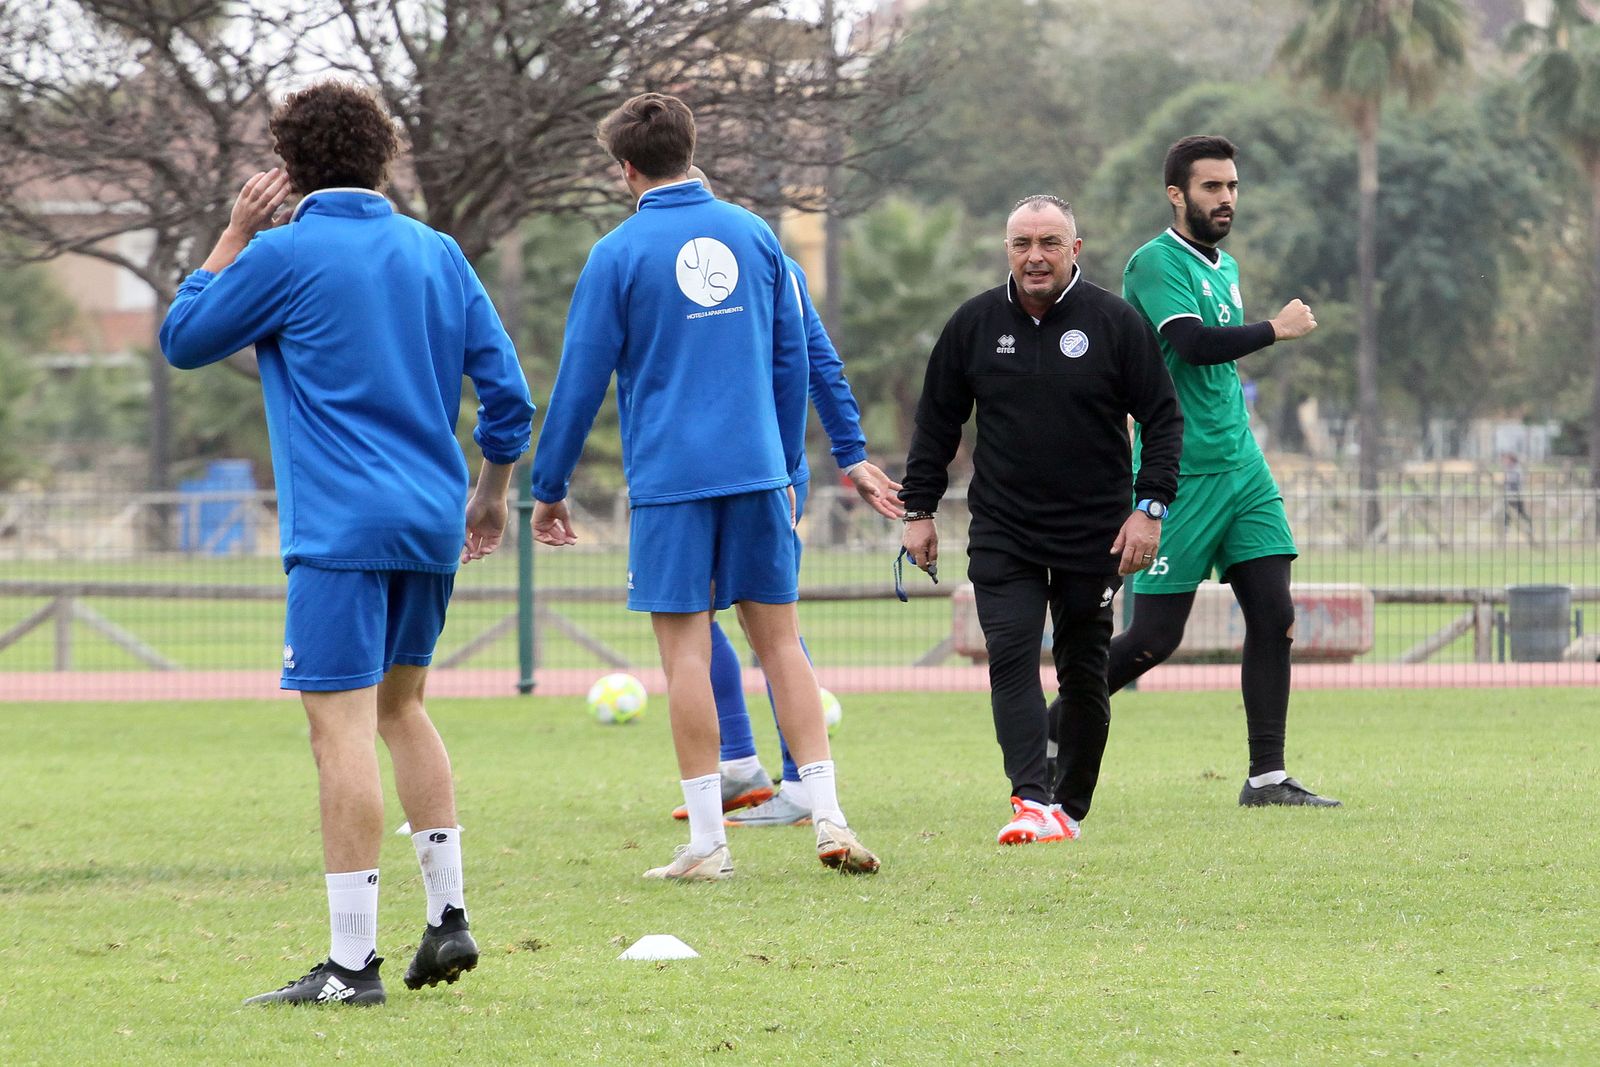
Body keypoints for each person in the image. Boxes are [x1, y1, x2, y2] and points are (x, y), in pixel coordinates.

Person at [160, 81, 535, 1005]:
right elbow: (509, 398)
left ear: (287, 168)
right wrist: (489, 496)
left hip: (339, 531)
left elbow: (183, 337)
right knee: (402, 709)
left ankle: (351, 965)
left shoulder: (283, 252)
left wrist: (234, 234)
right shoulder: (438, 251)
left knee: (339, 734)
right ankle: (448, 917)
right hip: (429, 522)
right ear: (384, 157)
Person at [528, 93, 879, 879]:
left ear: (626, 168)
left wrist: (549, 486)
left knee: (685, 653)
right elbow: (794, 359)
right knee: (780, 642)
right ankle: (829, 814)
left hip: (671, 483)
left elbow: (580, 380)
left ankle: (708, 845)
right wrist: (784, 466)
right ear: (692, 150)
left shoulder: (615, 253)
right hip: (759, 472)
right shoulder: (756, 235)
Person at [1051, 135, 1339, 811]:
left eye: (1232, 186)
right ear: (1177, 195)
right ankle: (1048, 729)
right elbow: (1192, 343)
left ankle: (1267, 778)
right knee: (1154, 639)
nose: (1226, 198)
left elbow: (1215, 362)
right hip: (1178, 473)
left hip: (1243, 466)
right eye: (1212, 187)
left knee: (1275, 615)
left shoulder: (1224, 265)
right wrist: (1276, 328)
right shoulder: (1154, 263)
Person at [900, 194, 1183, 845]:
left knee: (1083, 670)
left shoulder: (1115, 322)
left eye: (1049, 243)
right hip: (1005, 531)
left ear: (1074, 250)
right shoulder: (973, 324)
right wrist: (918, 509)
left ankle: (1069, 808)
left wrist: (1149, 508)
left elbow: (1164, 419)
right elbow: (936, 423)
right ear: (1006, 250)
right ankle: (1030, 799)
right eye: (1022, 243)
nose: (1035, 256)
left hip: (1097, 534)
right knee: (1010, 654)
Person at [664, 167, 904, 829]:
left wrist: (850, 455)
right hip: (726, 474)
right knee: (700, 616)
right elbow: (822, 366)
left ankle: (799, 783)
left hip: (757, 477)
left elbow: (820, 365)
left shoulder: (769, 268)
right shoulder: (714, 264)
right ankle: (741, 761)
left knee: (767, 627)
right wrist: (849, 454)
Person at [1503, 452, 1537, 544]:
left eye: (1507, 460)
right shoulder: (1508, 469)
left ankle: (1529, 527)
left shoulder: (1517, 469)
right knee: (1507, 511)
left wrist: (1507, 482)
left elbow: (1515, 482)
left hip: (1516, 494)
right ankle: (1506, 528)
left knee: (1520, 512)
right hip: (1509, 494)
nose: (1505, 461)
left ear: (1511, 460)